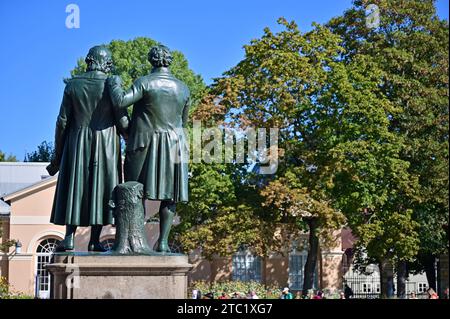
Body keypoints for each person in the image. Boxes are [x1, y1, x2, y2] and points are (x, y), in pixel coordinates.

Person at [107, 45, 190, 252]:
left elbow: (120, 101)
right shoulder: (184, 88)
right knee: (170, 196)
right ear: (169, 60)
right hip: (175, 145)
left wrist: (114, 83)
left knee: (135, 191)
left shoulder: (144, 82)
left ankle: (138, 240)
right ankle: (163, 242)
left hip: (145, 143)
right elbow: (184, 122)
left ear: (152, 60)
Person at [47, 45, 129, 252]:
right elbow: (122, 120)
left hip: (77, 141)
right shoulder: (112, 84)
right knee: (102, 188)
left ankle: (69, 237)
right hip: (106, 143)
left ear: (89, 60)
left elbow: (62, 121)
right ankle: (94, 239)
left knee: (75, 186)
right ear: (107, 63)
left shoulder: (73, 85)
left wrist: (57, 155)